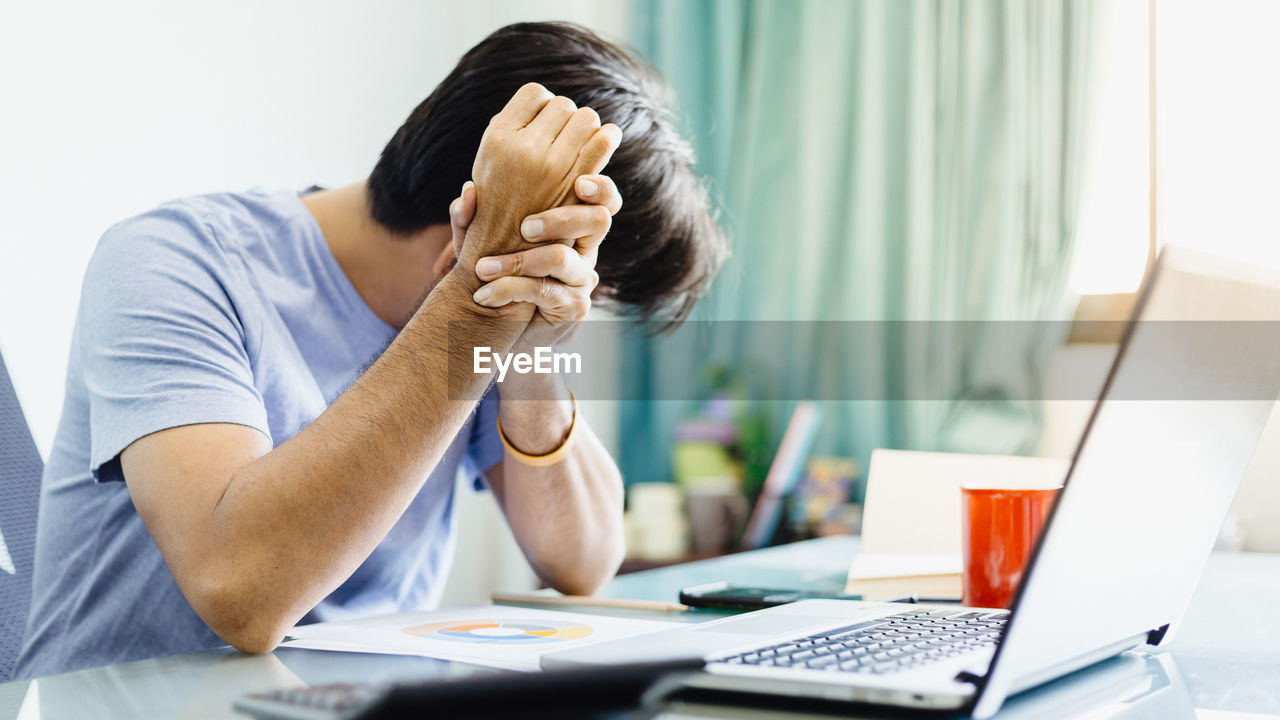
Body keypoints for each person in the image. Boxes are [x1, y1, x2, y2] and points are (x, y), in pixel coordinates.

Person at [17, 22, 726, 677]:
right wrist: (481, 300)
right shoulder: (171, 261)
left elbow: (583, 562)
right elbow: (242, 595)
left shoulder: (480, 321)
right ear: (468, 230)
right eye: (583, 287)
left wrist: (527, 350)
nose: (572, 302)